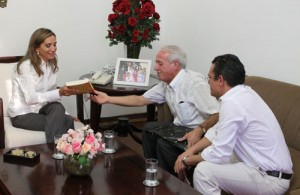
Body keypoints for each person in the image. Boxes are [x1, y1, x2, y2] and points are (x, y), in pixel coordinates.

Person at [90, 45, 219, 176]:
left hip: (200, 133)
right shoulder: (166, 83)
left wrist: (200, 130)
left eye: (160, 63)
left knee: (163, 144)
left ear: (175, 64)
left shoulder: (195, 83)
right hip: (180, 128)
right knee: (148, 129)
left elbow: (218, 114)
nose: (155, 68)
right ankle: (153, 169)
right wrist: (108, 99)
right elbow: (140, 100)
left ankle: (171, 181)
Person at [174, 54, 293, 194]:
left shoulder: (232, 103)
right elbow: (217, 131)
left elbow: (219, 153)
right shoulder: (243, 93)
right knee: (209, 156)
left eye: (209, 78)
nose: (208, 83)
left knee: (203, 171)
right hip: (259, 168)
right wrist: (190, 151)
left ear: (221, 80)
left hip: (270, 179)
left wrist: (186, 160)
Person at [7, 28, 79, 143]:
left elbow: (51, 98)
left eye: (55, 45)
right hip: (22, 114)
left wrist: (66, 113)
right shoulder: (25, 66)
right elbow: (30, 98)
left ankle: (63, 152)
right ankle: (59, 153)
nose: (53, 49)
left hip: (40, 111)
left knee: (59, 108)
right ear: (36, 48)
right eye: (48, 45)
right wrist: (59, 92)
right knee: (66, 122)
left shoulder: (51, 66)